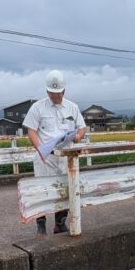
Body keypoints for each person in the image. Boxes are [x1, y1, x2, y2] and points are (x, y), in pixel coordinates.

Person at [22, 70, 87, 235]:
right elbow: (31, 131)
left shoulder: (72, 107)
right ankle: (41, 225)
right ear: (47, 91)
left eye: (58, 93)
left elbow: (82, 127)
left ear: (64, 90)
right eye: (52, 93)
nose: (55, 96)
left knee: (65, 189)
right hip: (46, 157)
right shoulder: (37, 107)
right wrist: (40, 150)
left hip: (65, 157)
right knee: (42, 191)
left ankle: (60, 223)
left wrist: (78, 136)